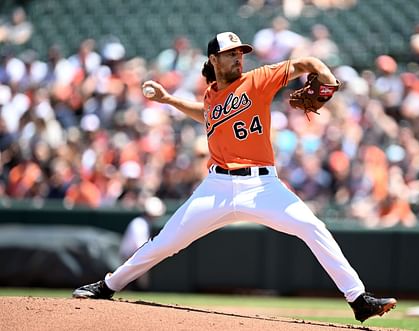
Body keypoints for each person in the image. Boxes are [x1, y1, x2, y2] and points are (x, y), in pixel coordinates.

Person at [72, 32, 396, 323]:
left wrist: (324, 75)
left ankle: (358, 299)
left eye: (240, 52)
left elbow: (306, 62)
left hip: (263, 186)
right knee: (165, 243)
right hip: (216, 186)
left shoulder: (258, 80)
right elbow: (208, 114)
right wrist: (169, 100)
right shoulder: (212, 94)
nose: (238, 57)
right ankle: (108, 285)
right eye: (231, 53)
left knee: (313, 228)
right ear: (214, 59)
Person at [119, 196, 166, 290]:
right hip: (128, 258)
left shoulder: (145, 223)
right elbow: (139, 246)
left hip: (134, 257)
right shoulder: (139, 223)